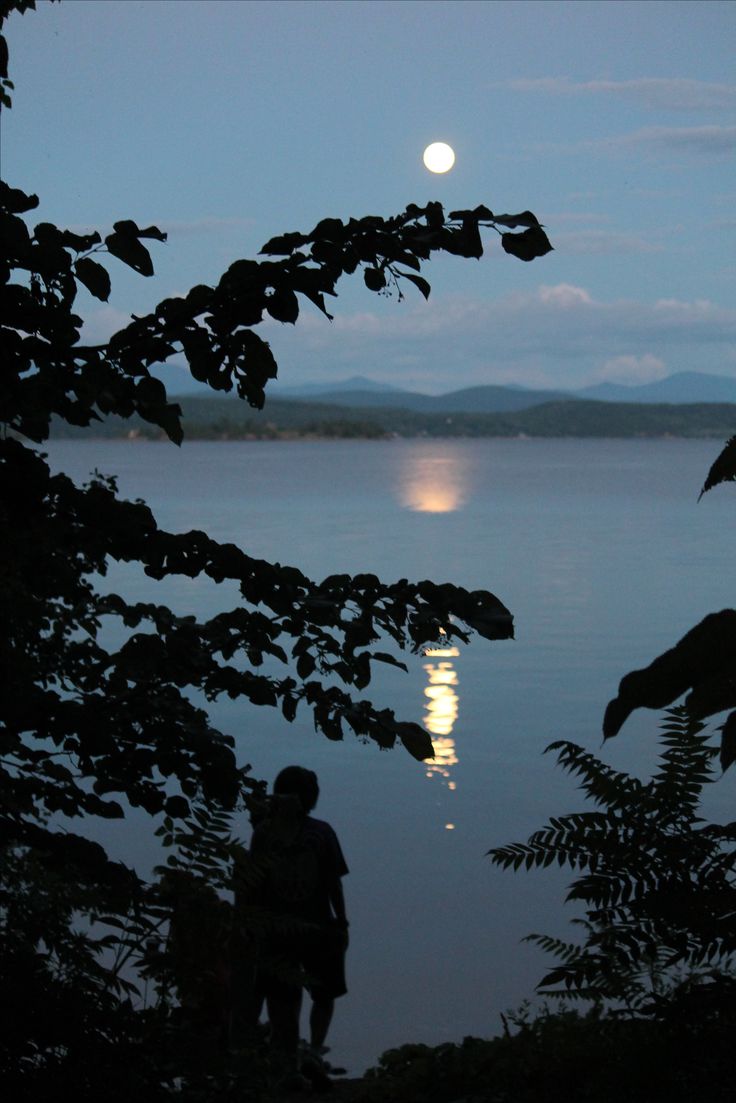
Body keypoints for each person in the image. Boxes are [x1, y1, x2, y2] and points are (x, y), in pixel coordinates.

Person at [249, 766, 349, 1082]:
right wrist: (341, 922)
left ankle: (291, 1056)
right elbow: (334, 883)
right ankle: (312, 1051)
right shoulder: (321, 832)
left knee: (286, 995)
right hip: (313, 927)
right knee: (320, 993)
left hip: (281, 929)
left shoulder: (264, 833)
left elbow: (255, 882)